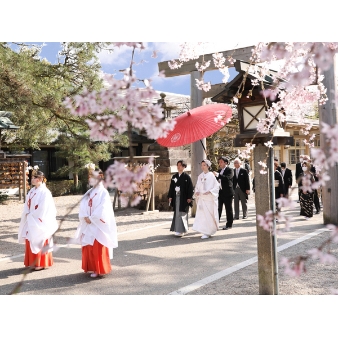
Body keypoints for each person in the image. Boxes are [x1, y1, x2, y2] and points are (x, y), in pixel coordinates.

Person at [72, 170, 118, 278]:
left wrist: (92, 218)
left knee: (97, 246)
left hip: (97, 223)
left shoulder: (103, 192)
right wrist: (85, 216)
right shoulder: (89, 192)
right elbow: (83, 205)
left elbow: (103, 208)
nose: (90, 179)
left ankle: (99, 268)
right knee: (88, 245)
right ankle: (91, 267)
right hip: (88, 222)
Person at [18, 170, 58, 271]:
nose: (32, 179)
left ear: (40, 179)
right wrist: (27, 213)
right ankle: (32, 262)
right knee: (31, 238)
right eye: (31, 177)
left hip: (40, 219)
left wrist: (33, 215)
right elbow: (27, 204)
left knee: (40, 238)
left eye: (34, 177)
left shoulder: (45, 192)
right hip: (31, 218)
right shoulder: (31, 191)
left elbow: (43, 208)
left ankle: (41, 263)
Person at [192, 159, 220, 239]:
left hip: (209, 198)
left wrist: (210, 191)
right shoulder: (200, 176)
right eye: (202, 165)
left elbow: (216, 186)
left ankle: (209, 231)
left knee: (209, 215)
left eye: (204, 165)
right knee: (202, 215)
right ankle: (205, 231)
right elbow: (197, 186)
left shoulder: (211, 175)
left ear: (208, 166)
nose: (202, 167)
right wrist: (196, 191)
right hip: (201, 198)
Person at [168, 160, 193, 237]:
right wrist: (170, 196)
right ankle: (178, 229)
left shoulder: (187, 177)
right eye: (178, 165)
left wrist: (189, 197)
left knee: (182, 213)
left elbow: (190, 188)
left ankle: (181, 230)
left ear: (184, 167)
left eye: (180, 165)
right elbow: (171, 187)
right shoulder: (174, 176)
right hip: (176, 197)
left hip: (183, 198)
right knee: (177, 213)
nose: (178, 167)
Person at [213, 156, 234, 230]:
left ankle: (229, 224)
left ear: (226, 162)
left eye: (221, 162)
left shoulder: (230, 170)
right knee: (218, 208)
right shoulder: (219, 171)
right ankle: (216, 223)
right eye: (219, 162)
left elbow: (227, 178)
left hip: (228, 192)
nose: (220, 163)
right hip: (220, 192)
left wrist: (218, 175)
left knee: (228, 209)